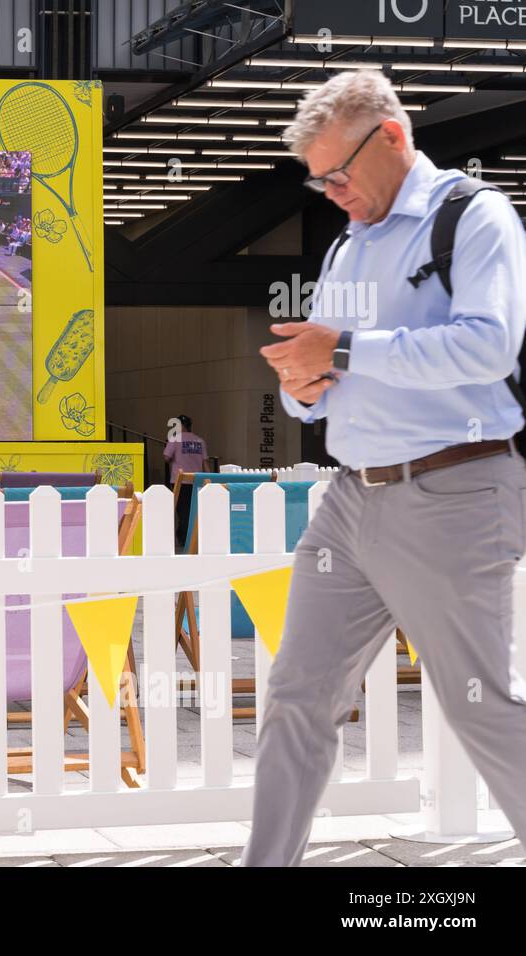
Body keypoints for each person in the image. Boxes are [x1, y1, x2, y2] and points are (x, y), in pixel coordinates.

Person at [243, 70, 526, 867]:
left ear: (394, 138)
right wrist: (301, 387)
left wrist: (344, 351)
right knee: (297, 699)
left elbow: (486, 345)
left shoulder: (473, 217)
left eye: (339, 174)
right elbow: (326, 387)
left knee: (483, 709)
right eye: (318, 179)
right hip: (348, 499)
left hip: (453, 489)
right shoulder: (348, 243)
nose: (330, 192)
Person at [162, 415, 207, 550]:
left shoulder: (175, 439)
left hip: (179, 481)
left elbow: (166, 457)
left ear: (181, 426)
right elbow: (205, 462)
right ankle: (193, 537)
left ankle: (183, 538)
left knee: (182, 511)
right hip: (196, 481)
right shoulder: (200, 441)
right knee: (194, 510)